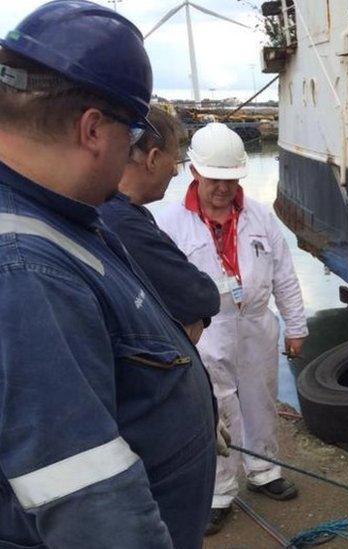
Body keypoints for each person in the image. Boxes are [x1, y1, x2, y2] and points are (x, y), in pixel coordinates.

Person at [0, 2, 216, 548]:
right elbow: (89, 504)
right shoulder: (26, 273)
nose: (134, 149)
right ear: (94, 129)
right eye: (134, 128)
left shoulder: (62, 214)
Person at [156, 122, 309, 534]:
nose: (223, 188)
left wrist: (295, 325)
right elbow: (158, 282)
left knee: (261, 396)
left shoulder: (259, 215)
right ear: (195, 173)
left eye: (230, 179)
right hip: (206, 329)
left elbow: (284, 273)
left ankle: (264, 471)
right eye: (214, 179)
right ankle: (220, 491)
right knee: (215, 408)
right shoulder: (170, 223)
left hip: (257, 321)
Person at [98, 105, 220, 343]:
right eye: (174, 160)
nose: (175, 172)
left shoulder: (108, 210)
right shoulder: (124, 223)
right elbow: (202, 296)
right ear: (153, 158)